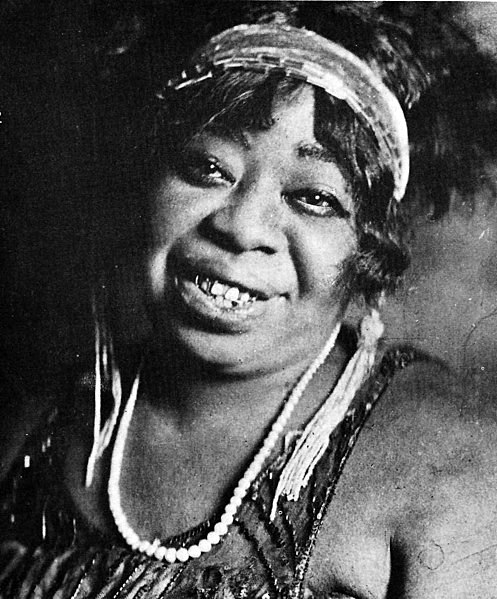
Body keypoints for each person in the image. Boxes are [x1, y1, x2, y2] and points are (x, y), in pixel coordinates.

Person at [2, 2, 497, 597]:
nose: (241, 226)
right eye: (208, 167)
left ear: (371, 258)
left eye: (314, 198)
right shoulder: (34, 421)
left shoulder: (454, 464)